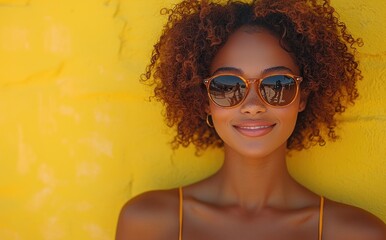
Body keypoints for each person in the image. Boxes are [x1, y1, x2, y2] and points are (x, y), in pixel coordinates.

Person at [116, 0, 386, 239]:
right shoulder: (149, 224)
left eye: (277, 84)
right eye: (227, 85)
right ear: (205, 101)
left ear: (302, 97)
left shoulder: (356, 233)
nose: (253, 106)